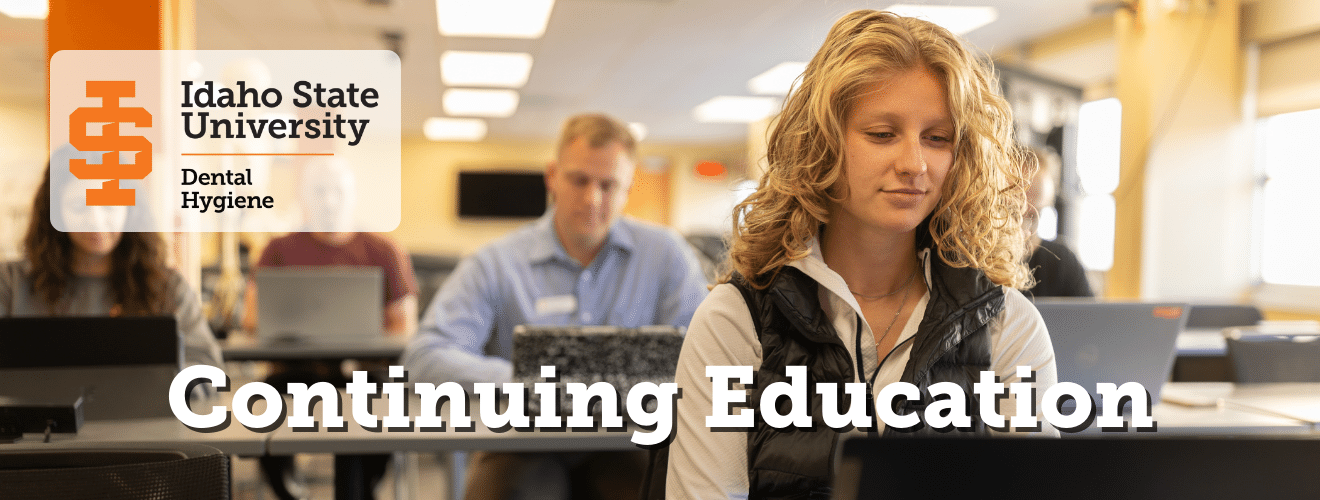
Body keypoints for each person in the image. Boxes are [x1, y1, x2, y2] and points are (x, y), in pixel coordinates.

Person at [665, 10, 1059, 499]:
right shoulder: (735, 320)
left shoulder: (1006, 324)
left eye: (937, 139)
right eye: (881, 134)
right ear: (823, 144)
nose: (914, 163)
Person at [402, 113, 709, 499]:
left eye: (608, 185)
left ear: (628, 188)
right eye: (579, 180)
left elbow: (702, 356)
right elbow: (425, 356)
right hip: (522, 438)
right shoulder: (495, 262)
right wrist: (530, 384)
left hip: (628, 439)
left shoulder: (666, 255)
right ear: (552, 176)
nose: (592, 198)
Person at [243, 157, 419, 500]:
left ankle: (361, 490)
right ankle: (290, 491)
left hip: (365, 375)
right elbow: (252, 320)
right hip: (296, 374)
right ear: (305, 197)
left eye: (338, 191)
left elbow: (405, 326)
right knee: (263, 399)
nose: (329, 200)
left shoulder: (384, 251)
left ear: (353, 195)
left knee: (378, 402)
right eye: (319, 191)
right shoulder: (278, 251)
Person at [0, 164, 223, 379]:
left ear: (130, 210)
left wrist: (153, 387)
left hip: (144, 406)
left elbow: (207, 367)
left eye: (109, 205)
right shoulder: (10, 283)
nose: (95, 221)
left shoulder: (167, 287)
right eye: (80, 207)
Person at [1024, 146, 1094, 298]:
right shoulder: (981, 266)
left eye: (1034, 215)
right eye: (1015, 212)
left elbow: (1089, 312)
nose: (1025, 229)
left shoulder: (1062, 262)